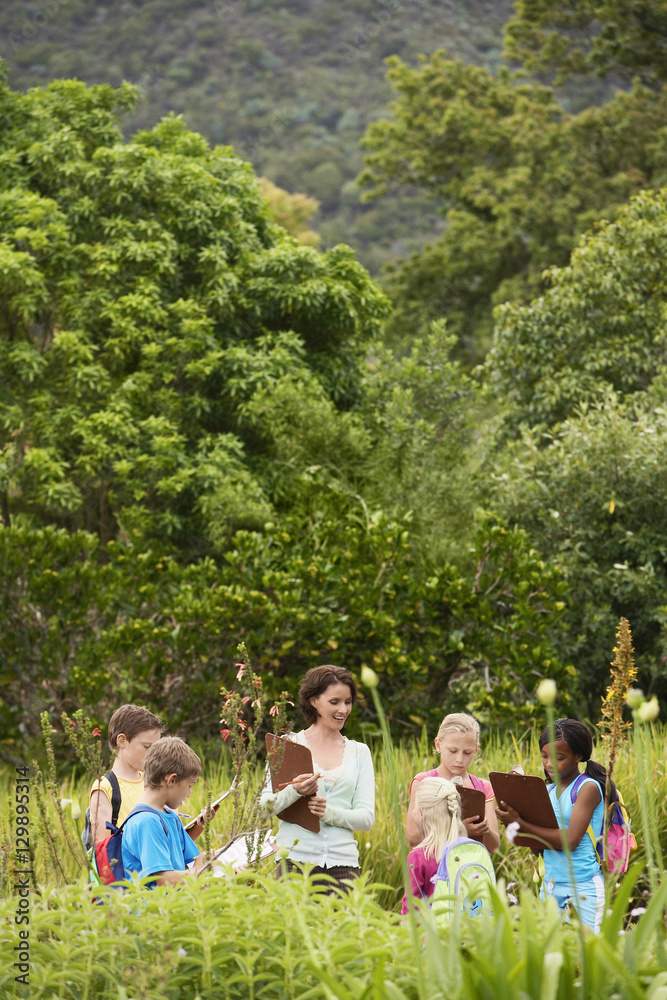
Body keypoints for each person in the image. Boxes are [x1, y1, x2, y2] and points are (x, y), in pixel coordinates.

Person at [260, 664, 375, 893]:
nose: (343, 709)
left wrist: (328, 813)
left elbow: (366, 818)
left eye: (348, 702)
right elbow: (263, 808)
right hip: (293, 863)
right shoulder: (287, 745)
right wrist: (296, 791)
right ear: (314, 701)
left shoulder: (359, 752)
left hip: (344, 867)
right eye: (334, 702)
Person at [496, 718, 607, 932]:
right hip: (550, 886)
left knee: (586, 955)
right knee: (554, 953)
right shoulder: (545, 791)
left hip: (583, 887)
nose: (548, 764)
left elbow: (571, 840)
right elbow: (538, 848)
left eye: (559, 758)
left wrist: (521, 824)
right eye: (544, 756)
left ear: (579, 756)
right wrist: (517, 819)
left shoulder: (587, 788)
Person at [406, 713, 500, 853]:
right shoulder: (423, 782)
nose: (459, 759)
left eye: (467, 752)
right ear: (438, 745)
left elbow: (494, 847)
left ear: (476, 750)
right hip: (434, 871)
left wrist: (485, 829)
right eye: (453, 751)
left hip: (470, 871)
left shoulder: (483, 787)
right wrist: (460, 830)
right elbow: (412, 837)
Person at [121, 736, 207, 887]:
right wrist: (199, 870)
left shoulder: (170, 817)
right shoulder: (146, 822)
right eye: (190, 785)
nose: (189, 793)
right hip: (155, 909)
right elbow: (165, 880)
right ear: (172, 780)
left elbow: (187, 858)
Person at [88, 704, 165, 846]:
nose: (153, 754)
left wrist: (197, 826)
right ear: (122, 741)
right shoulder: (105, 788)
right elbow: (102, 850)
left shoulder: (151, 782)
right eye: (147, 747)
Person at [401, 776, 465, 914]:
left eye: (414, 807)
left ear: (421, 813)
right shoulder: (467, 850)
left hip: (431, 934)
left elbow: (411, 909)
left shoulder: (419, 856)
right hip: (466, 931)